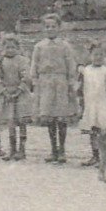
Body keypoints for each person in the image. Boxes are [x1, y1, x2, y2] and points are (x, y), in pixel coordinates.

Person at [29, 14, 79, 163]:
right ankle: (53, 150)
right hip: (45, 82)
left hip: (61, 82)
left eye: (53, 26)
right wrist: (34, 79)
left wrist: (71, 81)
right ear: (43, 29)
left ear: (59, 28)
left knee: (61, 116)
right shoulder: (39, 46)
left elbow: (71, 64)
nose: (50, 29)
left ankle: (62, 150)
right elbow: (34, 64)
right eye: (47, 26)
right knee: (49, 117)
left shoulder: (64, 46)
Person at [76, 42, 106, 168]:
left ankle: (105, 159)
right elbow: (80, 89)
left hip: (103, 105)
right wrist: (81, 104)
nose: (98, 57)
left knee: (105, 132)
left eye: (101, 55)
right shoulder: (85, 71)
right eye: (95, 54)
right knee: (93, 131)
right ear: (90, 56)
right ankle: (95, 156)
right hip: (90, 104)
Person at [0, 35, 34, 161]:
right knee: (11, 124)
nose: (10, 50)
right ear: (3, 48)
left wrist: (19, 89)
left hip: (20, 95)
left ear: (17, 48)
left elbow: (26, 76)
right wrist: (3, 91)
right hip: (7, 96)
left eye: (13, 47)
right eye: (7, 47)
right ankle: (12, 149)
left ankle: (22, 149)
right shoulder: (0, 62)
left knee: (21, 123)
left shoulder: (22, 61)